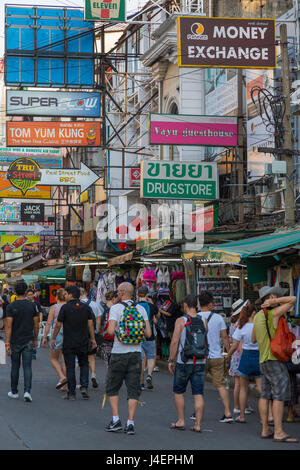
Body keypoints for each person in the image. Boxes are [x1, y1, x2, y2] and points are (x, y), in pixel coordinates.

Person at [252, 285, 298, 443]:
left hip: (263, 360)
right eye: (272, 297)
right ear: (268, 299)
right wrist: (276, 302)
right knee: (279, 395)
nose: (276, 299)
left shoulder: (258, 316)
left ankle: (265, 429)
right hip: (274, 359)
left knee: (265, 394)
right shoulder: (273, 313)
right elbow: (293, 299)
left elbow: (253, 339)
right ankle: (278, 432)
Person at [105, 282, 151, 435]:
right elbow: (148, 334)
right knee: (133, 389)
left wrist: (119, 331)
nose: (116, 293)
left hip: (119, 353)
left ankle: (116, 419)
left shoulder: (115, 308)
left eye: (118, 291)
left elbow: (110, 331)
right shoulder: (141, 309)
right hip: (136, 354)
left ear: (123, 292)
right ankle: (130, 422)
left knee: (112, 387)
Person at [168, 295, 207, 432]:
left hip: (183, 361)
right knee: (198, 393)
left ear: (185, 305)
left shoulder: (181, 320)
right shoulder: (203, 320)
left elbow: (174, 342)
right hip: (200, 361)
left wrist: (171, 360)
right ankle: (198, 424)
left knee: (179, 391)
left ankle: (181, 420)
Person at [51, 286, 97, 401]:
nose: (65, 296)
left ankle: (71, 393)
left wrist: (53, 337)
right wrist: (93, 339)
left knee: (70, 366)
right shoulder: (86, 307)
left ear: (70, 295)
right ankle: (84, 387)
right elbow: (90, 324)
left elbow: (58, 324)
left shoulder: (65, 308)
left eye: (66, 294)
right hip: (83, 341)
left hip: (69, 342)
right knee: (84, 364)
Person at [198, 292, 233, 423]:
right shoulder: (218, 318)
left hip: (200, 357)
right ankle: (228, 412)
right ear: (210, 304)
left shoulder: (195, 317)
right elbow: (224, 337)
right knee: (221, 385)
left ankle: (197, 412)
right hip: (216, 356)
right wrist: (229, 353)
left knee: (198, 385)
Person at [5, 281, 39, 402]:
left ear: (14, 291)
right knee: (27, 366)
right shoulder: (32, 305)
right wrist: (35, 339)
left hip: (15, 340)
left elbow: (8, 326)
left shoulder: (11, 306)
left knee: (15, 366)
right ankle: (27, 391)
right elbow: (36, 324)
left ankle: (14, 391)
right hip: (28, 339)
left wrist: (7, 344)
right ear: (25, 292)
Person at [227, 303, 261, 423]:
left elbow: (235, 345)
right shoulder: (259, 326)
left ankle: (242, 416)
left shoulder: (241, 327)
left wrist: (229, 355)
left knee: (243, 389)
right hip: (258, 356)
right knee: (261, 389)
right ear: (253, 313)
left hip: (245, 357)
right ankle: (268, 416)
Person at [42, 288, 67, 391]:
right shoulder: (68, 306)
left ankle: (62, 377)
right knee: (65, 359)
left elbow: (48, 322)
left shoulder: (54, 307)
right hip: (68, 333)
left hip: (57, 335)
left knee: (53, 358)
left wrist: (44, 336)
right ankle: (64, 385)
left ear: (56, 297)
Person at [80, 287, 102, 389]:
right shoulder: (95, 304)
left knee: (81, 357)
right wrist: (96, 332)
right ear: (86, 293)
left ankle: (82, 380)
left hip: (80, 334)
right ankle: (93, 374)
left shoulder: (76, 305)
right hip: (92, 333)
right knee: (91, 356)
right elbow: (98, 321)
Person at [137, 286, 159, 391]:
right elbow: (157, 318)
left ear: (137, 294)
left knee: (141, 358)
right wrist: (153, 304)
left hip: (138, 335)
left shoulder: (134, 306)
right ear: (147, 294)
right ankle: (149, 375)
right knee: (151, 356)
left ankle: (141, 383)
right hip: (150, 335)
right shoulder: (151, 306)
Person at [100, 291, 118, 370]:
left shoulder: (101, 308)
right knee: (115, 358)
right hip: (115, 336)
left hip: (104, 336)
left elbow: (99, 322)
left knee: (106, 359)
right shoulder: (117, 308)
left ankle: (110, 376)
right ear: (113, 298)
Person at [27, 288, 44, 359]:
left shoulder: (36, 303)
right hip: (27, 323)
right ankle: (28, 352)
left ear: (33, 295)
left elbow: (40, 313)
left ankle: (33, 353)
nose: (29, 296)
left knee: (34, 338)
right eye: (28, 295)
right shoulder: (26, 303)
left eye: (31, 294)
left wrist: (40, 322)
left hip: (35, 323)